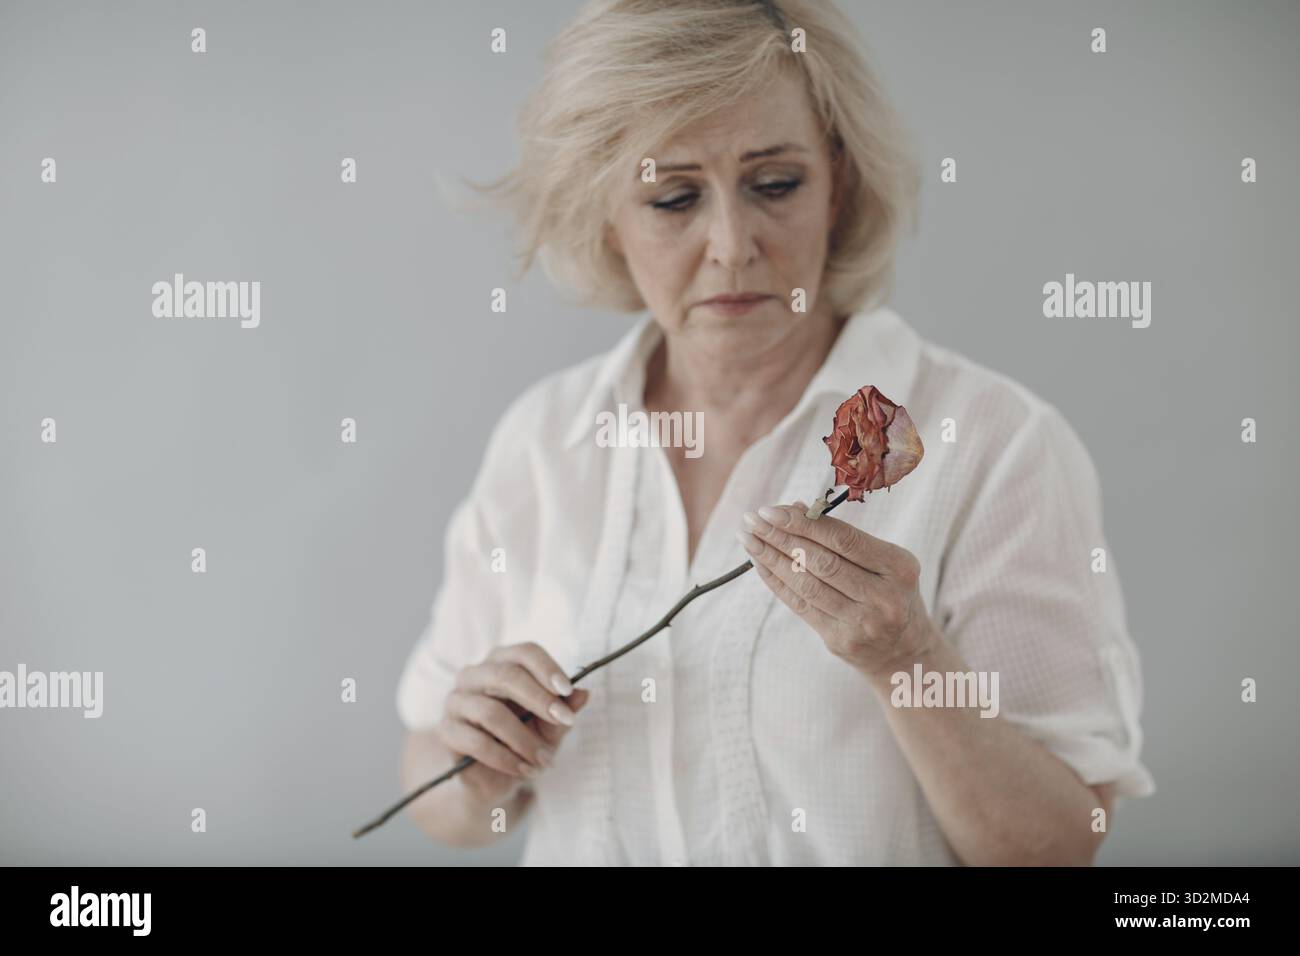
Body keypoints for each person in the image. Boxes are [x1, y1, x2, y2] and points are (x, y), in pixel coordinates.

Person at [396, 0, 1154, 865]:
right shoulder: (544, 441)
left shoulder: (994, 443)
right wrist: (476, 771)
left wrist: (906, 660)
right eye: (673, 197)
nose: (731, 245)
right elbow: (437, 798)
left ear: (839, 180)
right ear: (604, 211)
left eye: (775, 184)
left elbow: (1060, 845)